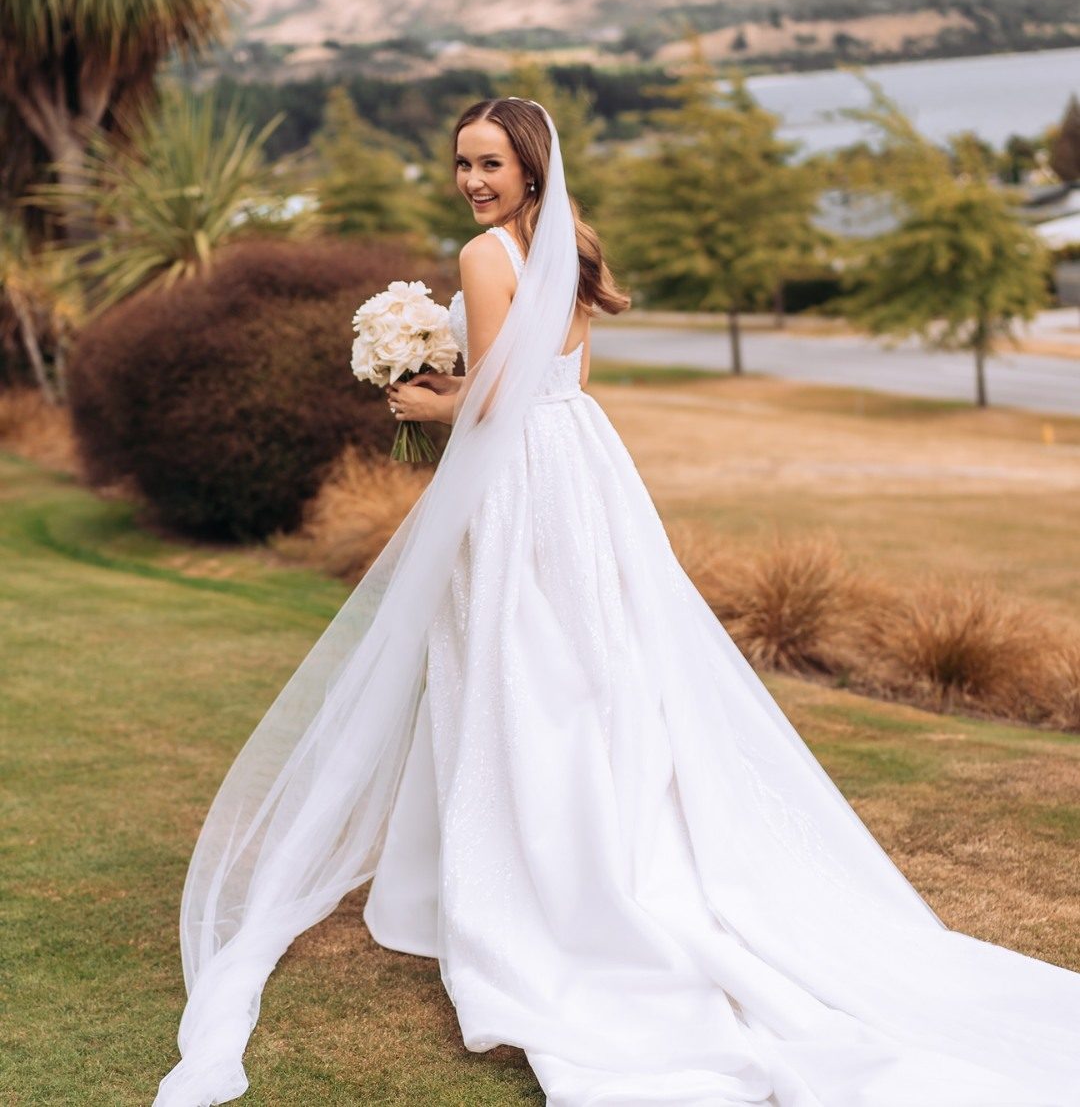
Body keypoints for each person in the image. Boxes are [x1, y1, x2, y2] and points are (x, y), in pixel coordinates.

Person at [155, 99, 1080, 1107]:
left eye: (490, 163)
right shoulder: (568, 242)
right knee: (592, 660)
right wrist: (461, 384)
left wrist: (427, 398)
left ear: (529, 164)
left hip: (519, 473)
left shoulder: (484, 256)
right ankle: (602, 841)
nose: (472, 181)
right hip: (582, 462)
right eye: (462, 163)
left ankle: (543, 875)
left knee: (514, 657)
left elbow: (497, 394)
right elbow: (563, 372)